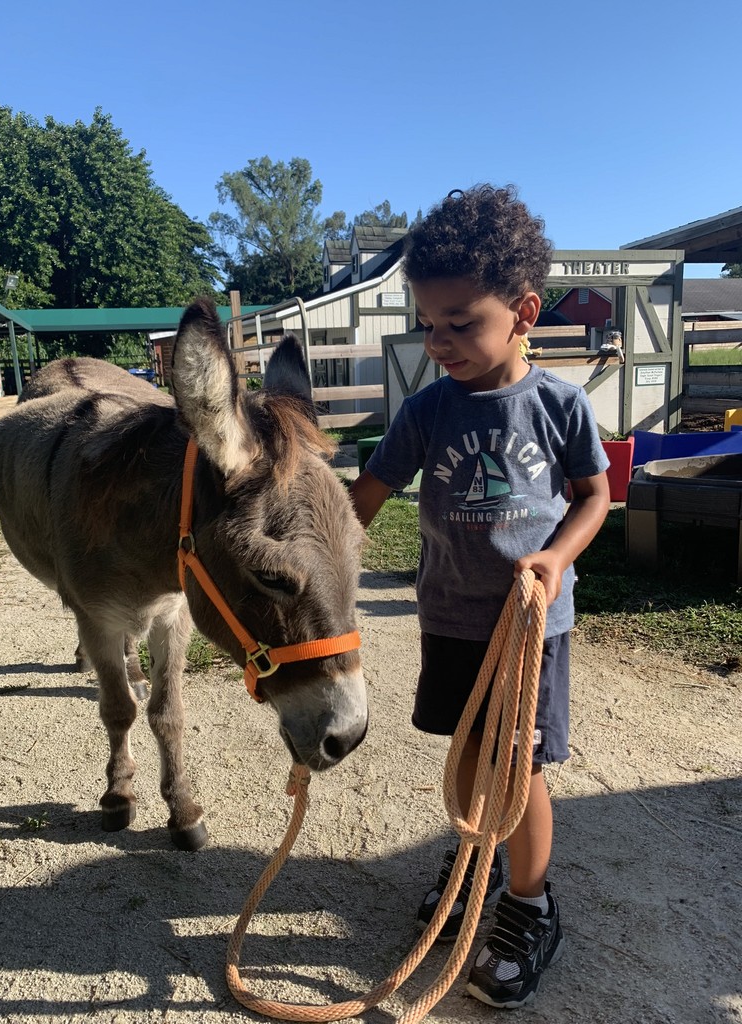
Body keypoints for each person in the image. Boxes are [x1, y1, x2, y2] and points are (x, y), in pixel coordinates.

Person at [349, 184, 611, 1010]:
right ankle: (474, 860)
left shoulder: (559, 405)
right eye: (430, 324)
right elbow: (369, 493)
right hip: (453, 623)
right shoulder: (427, 410)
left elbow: (594, 496)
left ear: (524, 310)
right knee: (467, 754)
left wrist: (556, 559)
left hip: (531, 631)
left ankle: (531, 906)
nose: (441, 341)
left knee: (518, 765)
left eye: (461, 322)